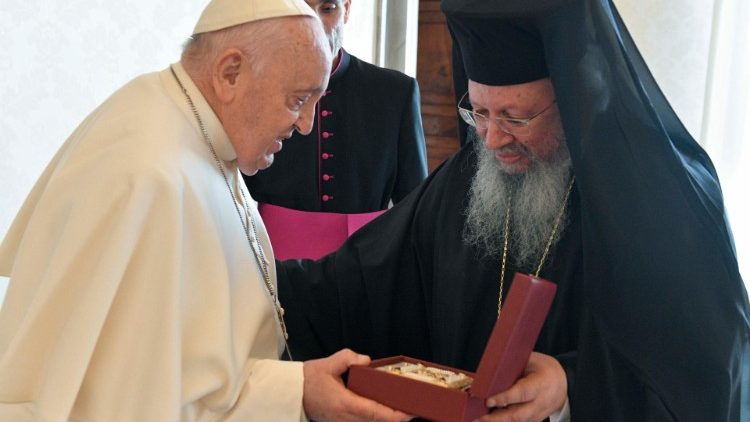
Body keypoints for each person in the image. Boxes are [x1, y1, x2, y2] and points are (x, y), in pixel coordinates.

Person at [277, 0, 750, 420]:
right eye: (478, 113)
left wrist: (571, 386)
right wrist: (245, 275)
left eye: (516, 117)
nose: (493, 139)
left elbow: (708, 367)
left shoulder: (662, 195)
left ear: (576, 97)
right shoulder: (467, 176)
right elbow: (356, 285)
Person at [0, 1, 409, 421]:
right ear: (230, 73)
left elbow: (186, 374)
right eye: (297, 100)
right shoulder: (149, 176)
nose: (305, 124)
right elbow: (127, 404)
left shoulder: (201, 137)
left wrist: (299, 387)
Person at [242, 0, 428, 259]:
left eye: (328, 9)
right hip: (273, 262)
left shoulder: (396, 92)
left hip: (368, 266)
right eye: (301, 11)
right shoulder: (251, 89)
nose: (315, 25)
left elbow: (416, 204)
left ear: (347, 9)